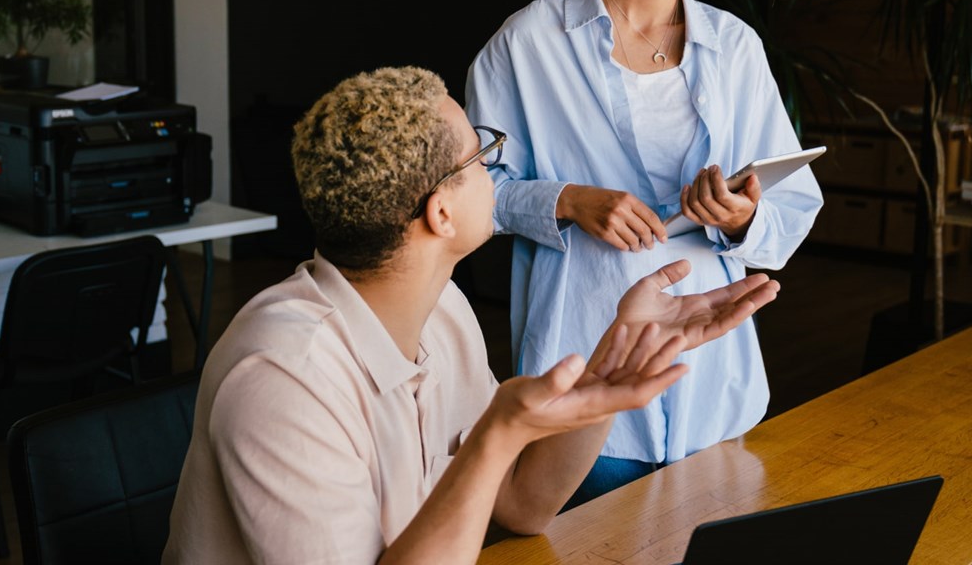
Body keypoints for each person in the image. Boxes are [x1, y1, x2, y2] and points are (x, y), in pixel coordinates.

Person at [164, 67, 781, 564]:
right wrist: (497, 435)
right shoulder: (285, 379)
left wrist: (613, 366)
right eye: (483, 155)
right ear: (441, 214)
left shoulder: (440, 310)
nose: (494, 167)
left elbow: (522, 505)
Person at [465, 0, 823, 506]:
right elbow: (470, 198)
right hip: (581, 359)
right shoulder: (528, 43)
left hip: (710, 376)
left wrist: (741, 217)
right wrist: (567, 200)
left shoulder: (735, 48)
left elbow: (792, 206)